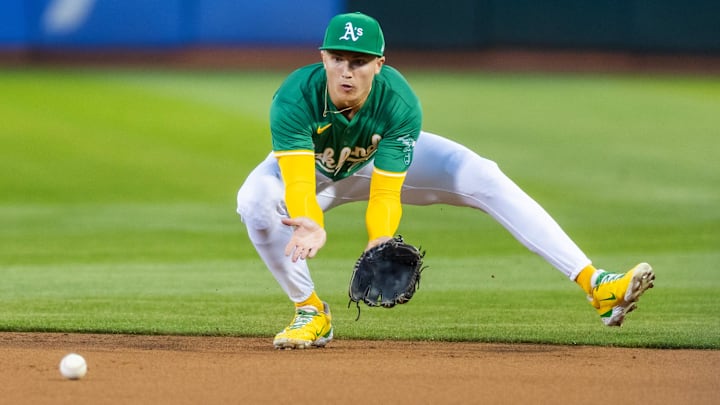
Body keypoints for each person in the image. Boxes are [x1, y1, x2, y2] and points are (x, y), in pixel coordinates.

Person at [236, 12, 655, 349]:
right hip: (312, 173)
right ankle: (310, 310)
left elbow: (385, 189)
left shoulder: (399, 103)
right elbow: (297, 183)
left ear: (379, 65)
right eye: (338, 59)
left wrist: (379, 240)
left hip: (372, 164)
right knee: (254, 201)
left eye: (360, 61)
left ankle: (596, 285)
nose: (347, 71)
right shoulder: (296, 96)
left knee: (482, 175)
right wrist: (311, 220)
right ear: (323, 57)